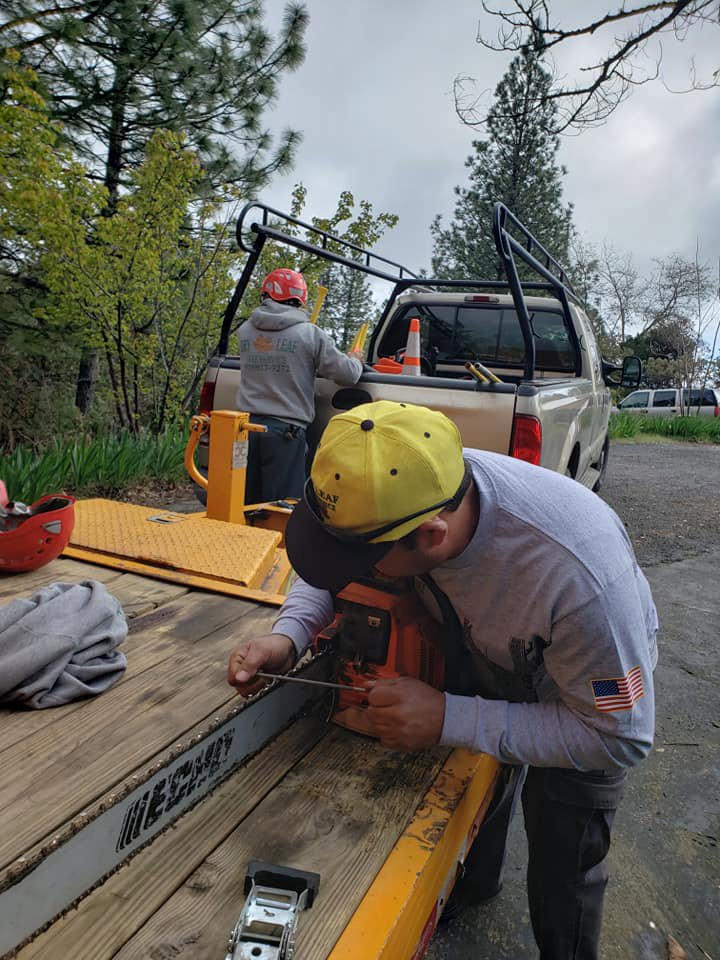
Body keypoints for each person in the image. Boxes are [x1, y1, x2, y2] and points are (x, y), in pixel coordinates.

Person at [227, 399, 658, 960]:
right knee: (485, 788)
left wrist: (449, 716)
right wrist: (290, 634)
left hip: (579, 693)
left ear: (431, 537)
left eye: (364, 559)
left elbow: (619, 736)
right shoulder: (404, 484)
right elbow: (335, 567)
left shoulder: (581, 583)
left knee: (565, 853)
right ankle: (475, 886)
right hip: (488, 645)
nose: (350, 572)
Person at [235, 267, 364, 503]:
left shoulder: (245, 331)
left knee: (245, 502)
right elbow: (348, 375)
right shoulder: (310, 335)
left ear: (265, 295)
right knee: (282, 507)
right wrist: (355, 359)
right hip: (285, 433)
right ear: (299, 299)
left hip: (245, 430)